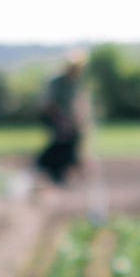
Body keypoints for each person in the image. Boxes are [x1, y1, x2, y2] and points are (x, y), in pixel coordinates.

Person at [34, 51, 87, 186]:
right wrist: (61, 121)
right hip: (51, 115)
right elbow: (48, 105)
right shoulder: (56, 82)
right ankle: (45, 165)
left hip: (64, 117)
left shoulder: (74, 83)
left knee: (73, 136)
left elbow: (74, 104)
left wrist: (77, 121)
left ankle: (64, 166)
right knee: (62, 137)